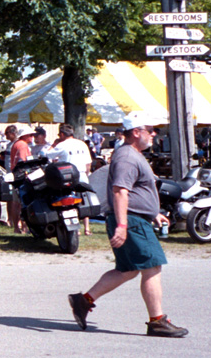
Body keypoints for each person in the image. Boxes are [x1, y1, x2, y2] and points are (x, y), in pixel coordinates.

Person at [69, 113, 187, 338]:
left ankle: (83, 301)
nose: (154, 134)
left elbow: (134, 192)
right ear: (136, 132)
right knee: (152, 268)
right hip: (130, 221)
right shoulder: (127, 157)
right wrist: (123, 225)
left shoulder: (132, 155)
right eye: (150, 130)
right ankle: (157, 321)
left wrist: (153, 213)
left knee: (128, 270)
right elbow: (120, 191)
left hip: (134, 219)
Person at [49, 123, 95, 235]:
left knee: (71, 201)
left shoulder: (62, 145)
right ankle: (87, 228)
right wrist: (86, 173)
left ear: (62, 134)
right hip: (82, 173)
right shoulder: (82, 144)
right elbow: (88, 162)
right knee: (84, 200)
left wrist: (54, 144)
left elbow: (47, 155)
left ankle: (75, 228)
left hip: (68, 175)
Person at [7, 125, 35, 233]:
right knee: (23, 202)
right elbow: (23, 161)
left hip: (16, 175)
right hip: (22, 176)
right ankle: (24, 227)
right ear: (25, 136)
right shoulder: (23, 145)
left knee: (16, 202)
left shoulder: (16, 144)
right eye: (31, 135)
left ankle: (16, 227)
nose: (32, 137)